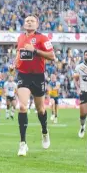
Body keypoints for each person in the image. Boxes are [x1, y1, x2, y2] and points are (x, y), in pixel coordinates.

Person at [14, 15, 55, 156]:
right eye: (27, 20)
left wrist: (35, 51)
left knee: (41, 109)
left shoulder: (43, 38)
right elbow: (19, 54)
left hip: (38, 76)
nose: (29, 22)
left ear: (37, 24)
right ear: (24, 24)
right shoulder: (20, 38)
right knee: (23, 106)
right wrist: (14, 64)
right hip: (23, 75)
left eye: (32, 20)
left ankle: (44, 131)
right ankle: (23, 144)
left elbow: (52, 56)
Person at [73, 50, 87, 138]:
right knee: (83, 113)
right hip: (83, 91)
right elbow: (75, 79)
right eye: (86, 55)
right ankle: (82, 126)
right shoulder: (79, 67)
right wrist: (78, 88)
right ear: (84, 56)